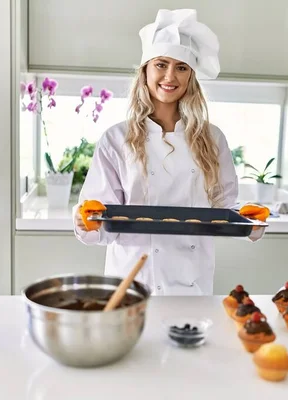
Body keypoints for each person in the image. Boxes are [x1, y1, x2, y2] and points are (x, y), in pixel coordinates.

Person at [72, 9, 265, 296]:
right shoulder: (116, 139)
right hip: (131, 281)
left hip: (193, 281)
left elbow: (225, 207)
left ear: (191, 76)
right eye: (161, 64)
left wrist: (251, 221)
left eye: (182, 67)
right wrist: (83, 220)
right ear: (145, 71)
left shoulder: (212, 138)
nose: (170, 76)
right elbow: (100, 217)